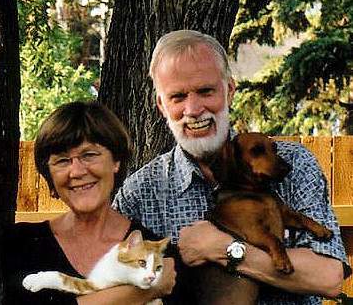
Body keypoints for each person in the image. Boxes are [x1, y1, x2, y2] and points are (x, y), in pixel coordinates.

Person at [113, 30, 352, 304]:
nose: (193, 109)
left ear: (229, 90)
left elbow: (328, 276)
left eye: (205, 91)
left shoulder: (292, 164)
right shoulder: (141, 193)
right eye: (178, 97)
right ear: (161, 106)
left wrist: (223, 249)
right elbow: (111, 285)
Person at [0, 101, 176, 305]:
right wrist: (142, 293)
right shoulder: (22, 243)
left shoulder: (155, 253)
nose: (76, 172)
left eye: (89, 155)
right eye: (62, 160)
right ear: (49, 173)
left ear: (116, 160)